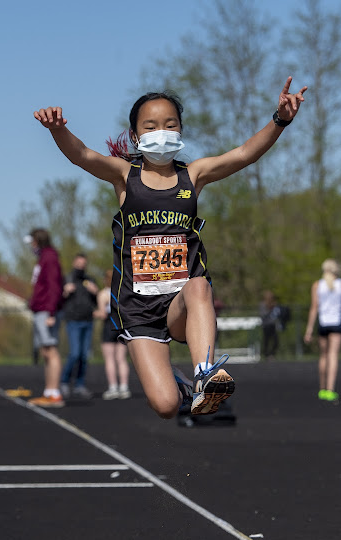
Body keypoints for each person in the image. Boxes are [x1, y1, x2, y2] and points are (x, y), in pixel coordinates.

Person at [33, 77, 307, 419]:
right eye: (150, 126)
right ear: (135, 136)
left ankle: (206, 374)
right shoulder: (124, 175)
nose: (161, 131)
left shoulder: (193, 175)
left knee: (198, 284)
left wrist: (280, 120)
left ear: (180, 130)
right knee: (164, 406)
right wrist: (57, 130)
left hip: (181, 305)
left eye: (169, 124)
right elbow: (82, 155)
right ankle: (180, 387)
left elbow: (244, 154)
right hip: (138, 309)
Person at [303, 259, 341, 401]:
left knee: (323, 356)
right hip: (336, 323)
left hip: (323, 323)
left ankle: (322, 389)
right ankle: (331, 389)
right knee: (333, 355)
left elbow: (314, 308)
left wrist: (309, 330)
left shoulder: (317, 285)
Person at [26, 228, 65, 408]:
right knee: (45, 352)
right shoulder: (43, 258)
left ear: (38, 241)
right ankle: (49, 391)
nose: (31, 245)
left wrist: (50, 312)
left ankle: (54, 393)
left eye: (32, 241)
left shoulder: (49, 258)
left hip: (46, 311)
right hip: (40, 309)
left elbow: (54, 286)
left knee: (51, 350)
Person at [60, 252, 98, 399]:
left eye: (84, 264)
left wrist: (95, 293)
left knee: (84, 355)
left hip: (87, 320)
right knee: (74, 353)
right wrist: (65, 292)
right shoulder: (67, 279)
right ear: (74, 263)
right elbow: (59, 301)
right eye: (79, 264)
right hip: (73, 320)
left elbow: (96, 302)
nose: (81, 266)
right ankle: (64, 381)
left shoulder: (89, 280)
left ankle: (79, 384)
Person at [95, 270, 132, 400]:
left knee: (110, 359)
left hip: (108, 326)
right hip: (122, 326)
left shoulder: (103, 294)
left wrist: (92, 313)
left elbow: (102, 313)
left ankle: (113, 387)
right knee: (121, 359)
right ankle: (124, 387)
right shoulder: (124, 291)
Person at [259, 290, 289, 359]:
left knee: (276, 341)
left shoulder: (274, 305)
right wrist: (269, 308)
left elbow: (278, 314)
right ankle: (266, 354)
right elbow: (263, 314)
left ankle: (272, 354)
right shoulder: (262, 305)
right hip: (266, 325)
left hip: (273, 325)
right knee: (266, 340)